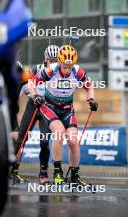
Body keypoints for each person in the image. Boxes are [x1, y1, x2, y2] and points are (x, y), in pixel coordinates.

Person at [29, 44, 98, 186]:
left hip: (67, 109)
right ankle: (58, 172)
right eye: (64, 67)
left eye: (70, 67)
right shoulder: (51, 70)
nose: (67, 70)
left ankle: (75, 175)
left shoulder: (77, 71)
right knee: (59, 133)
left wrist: (91, 99)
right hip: (49, 107)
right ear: (59, 63)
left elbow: (89, 86)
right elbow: (32, 82)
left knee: (73, 141)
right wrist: (35, 96)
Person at [9, 45, 59, 185]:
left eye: (55, 60)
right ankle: (13, 171)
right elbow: (27, 82)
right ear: (45, 59)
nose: (52, 63)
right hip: (33, 106)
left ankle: (43, 173)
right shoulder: (37, 68)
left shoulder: (59, 72)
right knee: (20, 140)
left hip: (47, 108)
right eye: (50, 60)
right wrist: (33, 95)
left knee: (44, 141)